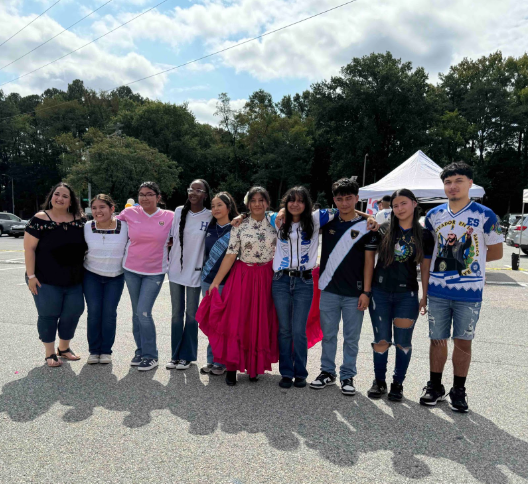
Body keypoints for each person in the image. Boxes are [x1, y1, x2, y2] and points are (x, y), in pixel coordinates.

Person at [420, 162, 503, 412]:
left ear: (470, 183)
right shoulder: (433, 216)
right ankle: (435, 386)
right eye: (448, 182)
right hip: (437, 290)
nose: (452, 186)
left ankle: (459, 389)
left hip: (469, 292)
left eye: (458, 180)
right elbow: (428, 254)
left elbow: (497, 252)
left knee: (463, 342)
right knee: (437, 340)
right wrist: (425, 291)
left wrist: (465, 262)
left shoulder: (486, 215)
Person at [197, 186, 279, 386]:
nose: (257, 204)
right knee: (237, 321)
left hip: (266, 276)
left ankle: (253, 367)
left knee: (259, 321)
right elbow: (231, 253)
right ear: (247, 203)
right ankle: (232, 367)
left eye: (261, 200)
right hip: (242, 276)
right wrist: (215, 283)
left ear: (267, 203)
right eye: (253, 200)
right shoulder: (239, 225)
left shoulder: (276, 224)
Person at [310, 178, 380, 395]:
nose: (344, 203)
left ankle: (348, 375)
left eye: (349, 198)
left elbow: (370, 262)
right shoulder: (328, 222)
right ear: (334, 200)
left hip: (355, 293)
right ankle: (327, 372)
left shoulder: (368, 226)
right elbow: (298, 217)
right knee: (328, 334)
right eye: (339, 199)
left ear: (357, 198)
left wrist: (366, 292)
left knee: (352, 338)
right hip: (329, 289)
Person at [367, 189, 434, 401]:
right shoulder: (383, 229)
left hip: (407, 295)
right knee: (381, 340)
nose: (399, 209)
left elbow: (425, 268)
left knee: (403, 343)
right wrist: (366, 291)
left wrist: (425, 295)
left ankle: (398, 384)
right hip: (380, 293)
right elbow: (368, 258)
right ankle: (379, 382)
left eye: (403, 203)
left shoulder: (424, 235)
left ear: (414, 204)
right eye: (395, 205)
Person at [24, 182, 87, 367]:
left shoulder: (80, 219)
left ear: (71, 201)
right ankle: (50, 353)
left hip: (74, 279)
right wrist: (31, 276)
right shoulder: (40, 219)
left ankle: (64, 348)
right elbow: (29, 249)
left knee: (74, 312)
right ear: (51, 196)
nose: (59, 198)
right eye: (56, 194)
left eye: (65, 196)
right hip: (44, 278)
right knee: (49, 314)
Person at [116, 182, 174, 371]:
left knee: (143, 312)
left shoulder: (170, 216)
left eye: (150, 194)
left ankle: (151, 355)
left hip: (155, 272)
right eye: (141, 194)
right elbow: (110, 222)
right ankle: (140, 350)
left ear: (158, 197)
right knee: (136, 313)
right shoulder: (130, 213)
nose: (145, 198)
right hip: (131, 270)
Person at [166, 179, 212, 371]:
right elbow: (169, 239)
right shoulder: (178, 211)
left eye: (198, 190)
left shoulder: (210, 215)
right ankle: (175, 355)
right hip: (176, 270)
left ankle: (187, 356)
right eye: (190, 189)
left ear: (206, 195)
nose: (193, 193)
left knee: (191, 315)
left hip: (196, 271)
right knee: (176, 314)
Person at [83, 194, 128, 364]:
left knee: (109, 313)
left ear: (112, 209)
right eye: (94, 208)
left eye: (102, 207)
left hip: (115, 276)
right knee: (94, 312)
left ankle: (106, 351)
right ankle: (94, 351)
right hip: (91, 275)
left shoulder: (124, 226)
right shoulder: (87, 226)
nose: (97, 211)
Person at [199, 191, 239, 376]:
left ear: (229, 207)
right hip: (206, 281)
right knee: (211, 321)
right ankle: (211, 360)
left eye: (219, 205)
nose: (215, 209)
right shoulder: (209, 229)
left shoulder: (236, 228)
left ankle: (221, 362)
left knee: (223, 323)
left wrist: (243, 215)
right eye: (213, 206)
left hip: (225, 283)